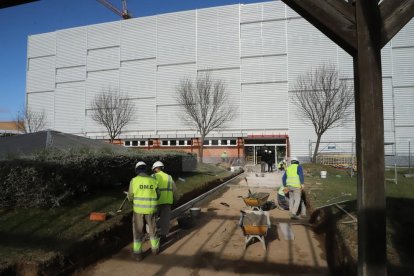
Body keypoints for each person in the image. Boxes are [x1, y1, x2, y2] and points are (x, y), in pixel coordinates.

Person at [127, 161, 160, 261]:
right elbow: (158, 195)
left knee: (138, 231)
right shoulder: (153, 180)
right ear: (146, 169)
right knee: (153, 229)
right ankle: (155, 250)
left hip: (138, 210)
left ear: (137, 170)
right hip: (151, 209)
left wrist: (131, 198)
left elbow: (130, 197)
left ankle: (138, 254)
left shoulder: (134, 181)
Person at [151, 161, 177, 243]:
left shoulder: (153, 177)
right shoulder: (169, 177)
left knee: (153, 219)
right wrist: (176, 199)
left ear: (155, 168)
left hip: (155, 202)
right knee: (165, 220)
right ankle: (163, 235)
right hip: (167, 201)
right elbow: (175, 190)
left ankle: (153, 235)